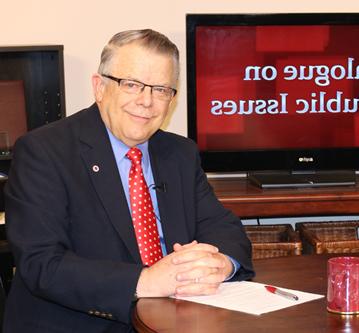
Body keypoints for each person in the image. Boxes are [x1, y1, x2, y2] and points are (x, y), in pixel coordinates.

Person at [3, 29, 255, 332]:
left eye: (161, 89)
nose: (146, 101)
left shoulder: (180, 153)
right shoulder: (43, 151)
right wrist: (145, 280)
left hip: (175, 318)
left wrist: (221, 263)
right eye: (131, 84)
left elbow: (224, 228)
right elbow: (41, 264)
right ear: (99, 87)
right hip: (81, 322)